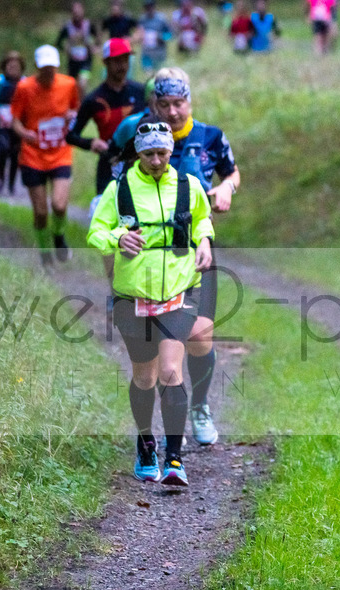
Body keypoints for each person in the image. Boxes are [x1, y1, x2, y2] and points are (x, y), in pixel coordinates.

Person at [88, 119, 214, 487]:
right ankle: (146, 442)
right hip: (133, 294)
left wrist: (204, 241)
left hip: (179, 290)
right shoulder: (120, 188)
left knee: (171, 372)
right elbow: (95, 232)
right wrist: (118, 237)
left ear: (171, 151)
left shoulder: (188, 186)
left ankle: (175, 459)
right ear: (138, 154)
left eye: (162, 153)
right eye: (148, 154)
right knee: (144, 377)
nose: (156, 161)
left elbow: (202, 221)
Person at [152, 67, 240, 446]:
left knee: (200, 334)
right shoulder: (144, 137)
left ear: (190, 101)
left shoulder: (211, 137)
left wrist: (226, 189)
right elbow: (121, 185)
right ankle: (173, 420)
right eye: (166, 104)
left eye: (179, 103)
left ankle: (200, 406)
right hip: (154, 255)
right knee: (165, 342)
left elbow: (233, 174)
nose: (173, 112)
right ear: (155, 104)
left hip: (198, 246)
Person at [10, 45, 81, 268]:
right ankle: (44, 253)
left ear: (57, 66)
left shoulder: (68, 84)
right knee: (41, 212)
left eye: (52, 68)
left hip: (60, 152)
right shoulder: (24, 88)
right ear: (37, 67)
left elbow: (76, 111)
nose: (48, 72)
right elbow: (15, 120)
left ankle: (59, 237)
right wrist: (24, 133)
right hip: (33, 155)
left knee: (59, 205)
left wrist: (72, 115)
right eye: (44, 68)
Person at [66, 38, 146, 195]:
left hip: (141, 162)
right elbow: (71, 135)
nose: (122, 65)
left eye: (125, 60)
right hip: (109, 163)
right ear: (106, 62)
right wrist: (91, 143)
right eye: (117, 61)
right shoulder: (93, 99)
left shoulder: (141, 91)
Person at [0, 50, 25, 196]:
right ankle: (1, 178)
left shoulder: (25, 82)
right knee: (3, 150)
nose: (13, 69)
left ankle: (11, 184)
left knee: (15, 153)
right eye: (10, 66)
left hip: (18, 123)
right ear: (4, 66)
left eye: (16, 66)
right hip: (2, 122)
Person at [55, 2, 98, 94]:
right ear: (72, 13)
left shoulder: (89, 25)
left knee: (82, 84)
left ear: (83, 12)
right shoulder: (67, 27)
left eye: (79, 11)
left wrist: (94, 47)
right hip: (73, 62)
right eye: (75, 12)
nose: (77, 14)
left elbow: (98, 38)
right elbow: (58, 43)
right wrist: (65, 49)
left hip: (86, 62)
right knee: (72, 86)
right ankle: (74, 105)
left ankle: (83, 105)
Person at [136, 0, 171, 74]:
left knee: (160, 74)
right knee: (147, 75)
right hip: (147, 54)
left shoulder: (161, 19)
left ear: (154, 7)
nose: (149, 9)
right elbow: (138, 34)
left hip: (159, 53)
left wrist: (161, 37)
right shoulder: (142, 20)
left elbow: (170, 34)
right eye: (147, 7)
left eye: (150, 6)